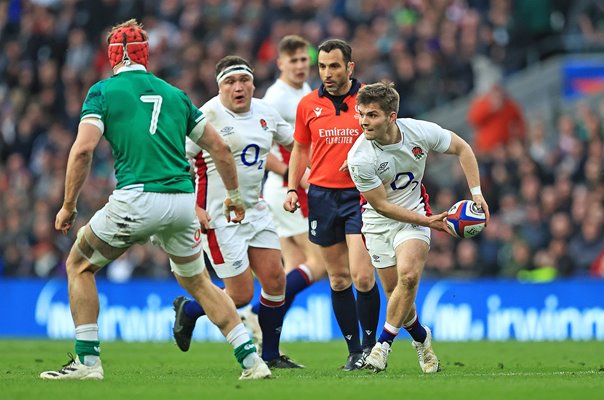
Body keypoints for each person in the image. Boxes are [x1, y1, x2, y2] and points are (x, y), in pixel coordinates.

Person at [39, 20, 270, 381]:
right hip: (181, 202)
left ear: (112, 56)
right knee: (198, 283)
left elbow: (83, 150)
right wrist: (235, 196)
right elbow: (220, 149)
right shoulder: (175, 94)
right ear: (147, 54)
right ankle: (252, 362)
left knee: (79, 265)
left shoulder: (102, 92)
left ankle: (87, 364)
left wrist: (69, 205)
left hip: (136, 199)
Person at [346, 81, 490, 373]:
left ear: (391, 116)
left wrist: (476, 192)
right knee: (398, 297)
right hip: (378, 223)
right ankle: (422, 341)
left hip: (414, 213)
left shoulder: (419, 132)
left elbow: (462, 148)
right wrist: (429, 222)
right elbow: (382, 206)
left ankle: (381, 347)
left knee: (408, 277)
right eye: (361, 114)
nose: (364, 121)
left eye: (372, 115)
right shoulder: (359, 158)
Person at [171, 55, 302, 369]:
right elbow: (176, 160)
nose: (238, 87)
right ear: (220, 87)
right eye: (230, 82)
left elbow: (299, 144)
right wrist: (194, 206)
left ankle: (271, 353)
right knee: (240, 295)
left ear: (253, 83)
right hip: (218, 216)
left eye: (244, 80)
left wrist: (297, 178)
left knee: (275, 281)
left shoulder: (266, 113)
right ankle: (189, 311)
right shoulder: (205, 116)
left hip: (255, 210)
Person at [283, 39, 380, 370]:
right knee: (338, 279)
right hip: (322, 197)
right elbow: (299, 148)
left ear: (350, 67)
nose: (327, 73)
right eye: (322, 66)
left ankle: (372, 349)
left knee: (363, 276)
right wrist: (293, 186)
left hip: (360, 196)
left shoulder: (369, 100)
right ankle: (354, 353)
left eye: (334, 66)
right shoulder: (308, 105)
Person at [239, 35, 326, 345]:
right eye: (294, 61)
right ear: (280, 64)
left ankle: (267, 334)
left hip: (287, 191)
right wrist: (298, 177)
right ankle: (255, 310)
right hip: (289, 191)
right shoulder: (275, 98)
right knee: (321, 264)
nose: (301, 66)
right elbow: (264, 151)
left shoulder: (303, 91)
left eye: (304, 59)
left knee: (293, 268)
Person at [467, 83, 526, 156]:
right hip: (487, 149)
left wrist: (518, 136)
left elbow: (519, 121)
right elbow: (473, 120)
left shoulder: (509, 106)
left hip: (505, 147)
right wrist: (490, 109)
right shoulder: (483, 104)